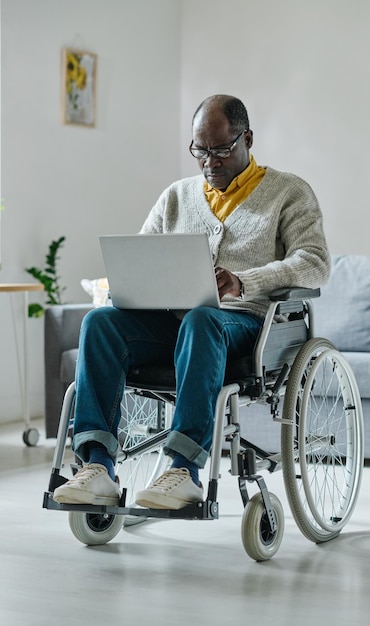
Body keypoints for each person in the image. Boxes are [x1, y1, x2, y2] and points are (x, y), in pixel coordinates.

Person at [53, 94, 330, 510]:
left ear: (247, 139)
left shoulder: (288, 192)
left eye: (221, 150)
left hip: (246, 326)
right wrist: (126, 287)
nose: (210, 162)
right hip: (175, 323)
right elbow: (143, 256)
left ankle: (184, 469)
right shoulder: (177, 197)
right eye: (200, 151)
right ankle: (97, 466)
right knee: (100, 323)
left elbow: (315, 264)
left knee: (203, 320)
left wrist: (244, 281)